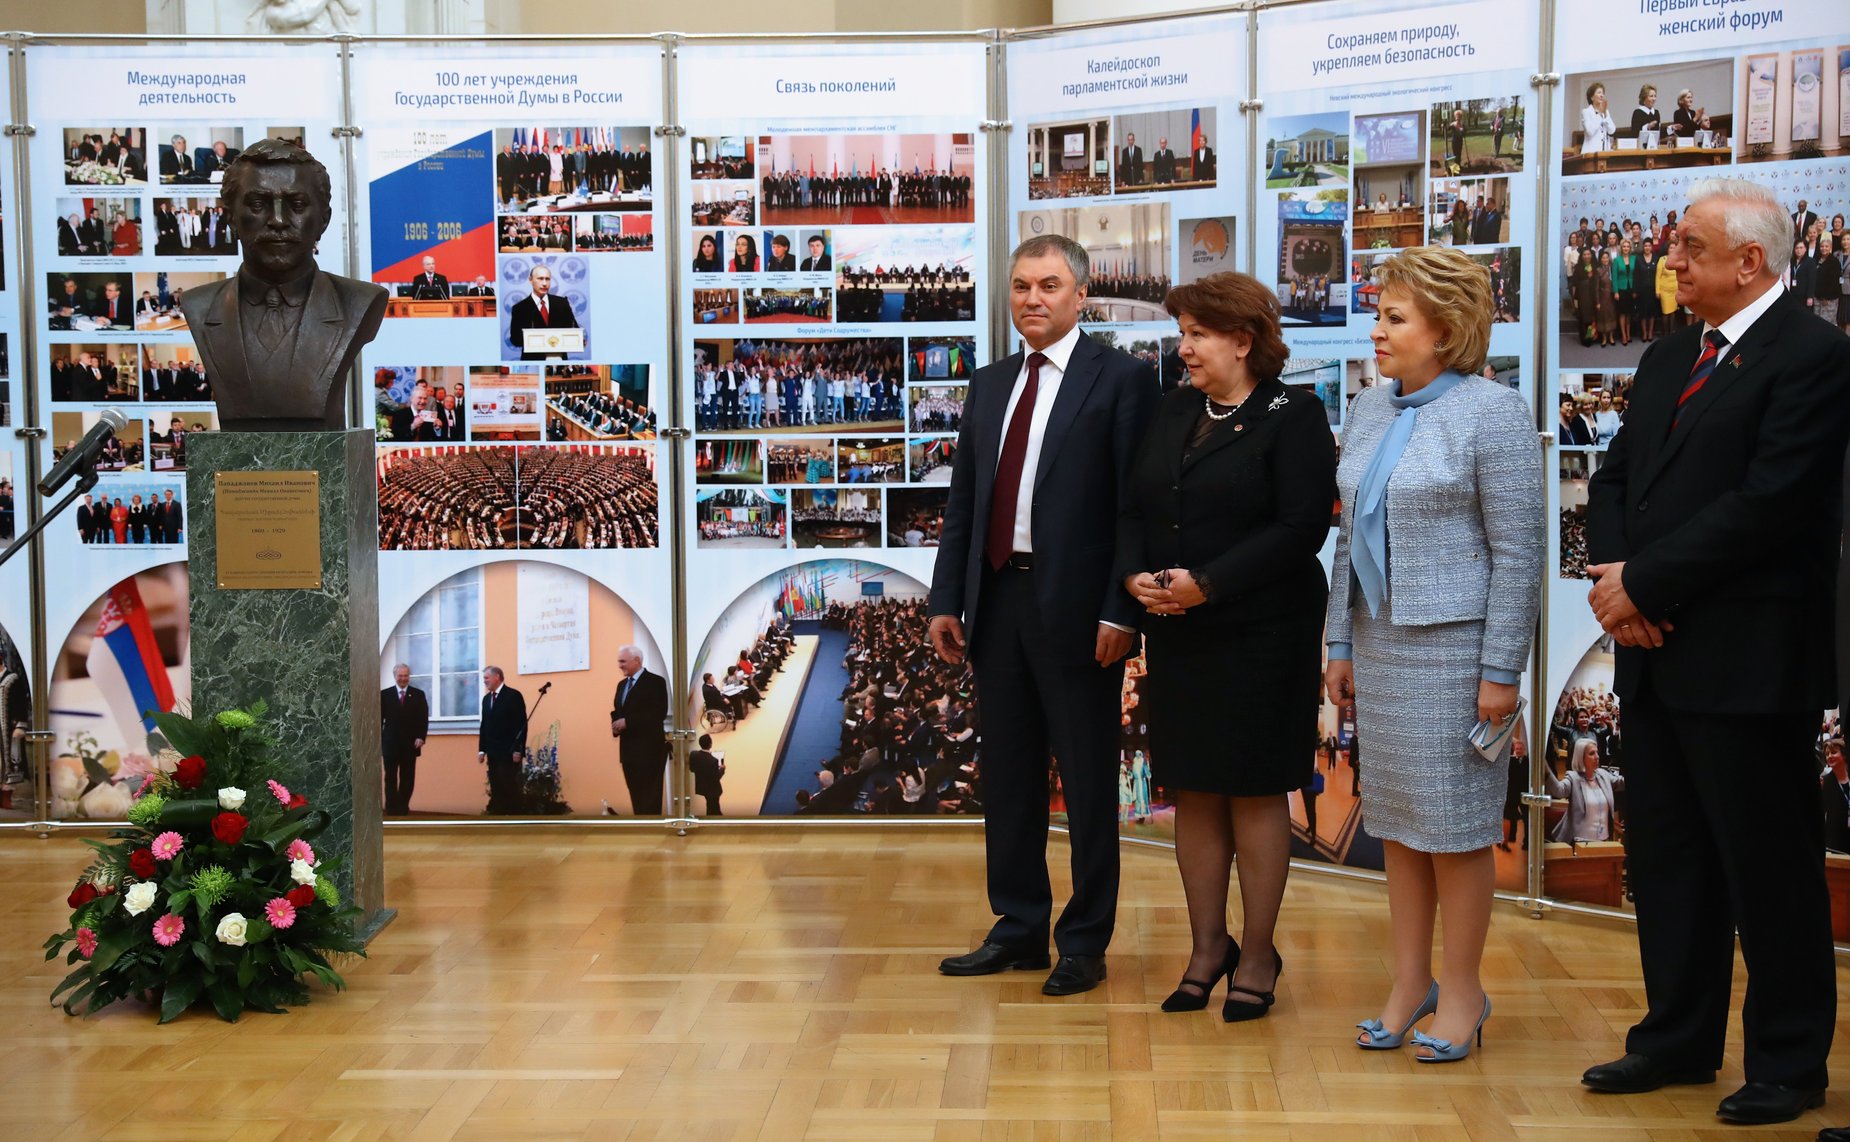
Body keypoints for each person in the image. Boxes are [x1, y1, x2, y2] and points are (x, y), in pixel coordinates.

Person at [1581, 177, 1848, 1126]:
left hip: (1747, 659)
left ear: (1751, 261)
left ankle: (1786, 1061)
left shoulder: (1814, 356)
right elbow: (1616, 477)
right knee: (1669, 862)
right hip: (1651, 650)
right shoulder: (1668, 356)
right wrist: (1618, 580)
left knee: (1768, 869)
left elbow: (1771, 505)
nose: (1671, 260)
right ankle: (1676, 1039)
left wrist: (1643, 584)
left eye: (1690, 246)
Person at [1324, 245, 1542, 1062]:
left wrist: (1500, 674)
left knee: (1454, 832)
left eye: (1393, 317)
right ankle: (1407, 982)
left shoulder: (1495, 412)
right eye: (1378, 313)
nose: (1375, 330)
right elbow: (1351, 534)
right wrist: (1340, 641)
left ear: (1447, 330)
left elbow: (1518, 554)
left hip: (1457, 657)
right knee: (1400, 829)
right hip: (1379, 649)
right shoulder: (1373, 407)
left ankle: (1463, 993)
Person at [928, 234, 1157, 996]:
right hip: (996, 601)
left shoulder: (1122, 380)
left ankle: (1085, 940)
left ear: (1081, 294)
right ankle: (1019, 925)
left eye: (1050, 285)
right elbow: (964, 502)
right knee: (1011, 777)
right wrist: (945, 598)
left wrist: (1122, 607)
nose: (1033, 298)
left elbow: (1136, 509)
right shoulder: (990, 384)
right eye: (1022, 285)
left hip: (1081, 610)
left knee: (1090, 781)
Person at [1116, 271, 1335, 1021]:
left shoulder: (1293, 412)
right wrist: (1136, 578)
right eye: (1182, 334)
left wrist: (1208, 581)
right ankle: (1209, 947)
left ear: (1243, 341)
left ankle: (1261, 950)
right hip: (1181, 629)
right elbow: (1139, 505)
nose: (1184, 350)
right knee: (1195, 788)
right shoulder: (1175, 407)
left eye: (1196, 335)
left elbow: (1302, 527)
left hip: (1263, 631)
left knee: (1253, 788)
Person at [608, 644, 668, 815]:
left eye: (623, 661)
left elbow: (658, 713)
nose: (620, 665)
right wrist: (616, 724)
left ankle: (652, 834)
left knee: (650, 799)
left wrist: (628, 722)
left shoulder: (655, 682)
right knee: (636, 797)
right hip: (628, 753)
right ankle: (642, 830)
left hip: (650, 752)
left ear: (636, 660)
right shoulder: (621, 685)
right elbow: (617, 711)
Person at [1545, 739, 1623, 842]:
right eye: (1592, 753)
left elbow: (1622, 782)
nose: (1597, 757)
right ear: (1581, 757)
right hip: (1580, 842)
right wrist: (1546, 771)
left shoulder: (1603, 775)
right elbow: (1559, 791)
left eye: (1597, 752)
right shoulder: (1573, 778)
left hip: (1605, 841)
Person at [476, 666, 528, 815]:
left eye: (487, 678)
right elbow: (484, 725)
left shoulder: (513, 695)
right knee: (496, 785)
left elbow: (521, 725)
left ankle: (514, 818)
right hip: (493, 752)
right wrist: (482, 749)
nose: (485, 681)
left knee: (510, 785)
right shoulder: (486, 699)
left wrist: (518, 749)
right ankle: (498, 818)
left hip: (509, 751)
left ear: (497, 677)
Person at [380, 663, 429, 816]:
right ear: (395, 676)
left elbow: (423, 718)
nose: (403, 679)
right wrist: (381, 740)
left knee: (407, 778)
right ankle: (391, 809)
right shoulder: (384, 695)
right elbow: (378, 719)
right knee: (390, 778)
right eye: (400, 676)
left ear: (409, 676)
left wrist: (421, 737)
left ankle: (402, 808)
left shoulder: (418, 694)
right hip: (390, 744)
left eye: (406, 675)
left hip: (410, 744)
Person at [506, 264, 578, 361]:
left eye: (547, 279)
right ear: (530, 280)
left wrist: (579, 339)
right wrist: (535, 339)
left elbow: (574, 329)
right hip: (533, 362)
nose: (544, 283)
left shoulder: (561, 303)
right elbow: (515, 339)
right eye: (540, 279)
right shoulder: (520, 308)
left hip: (559, 361)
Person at [688, 733, 726, 816]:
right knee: (714, 809)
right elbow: (716, 777)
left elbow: (692, 769)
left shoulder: (693, 754)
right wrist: (722, 769)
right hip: (713, 790)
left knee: (711, 807)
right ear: (710, 744)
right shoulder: (713, 760)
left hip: (703, 788)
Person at [1580, 82, 1616, 154]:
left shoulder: (1605, 112)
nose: (1602, 95)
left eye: (1602, 93)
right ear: (1592, 97)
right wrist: (1599, 113)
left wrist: (1605, 114)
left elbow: (1612, 130)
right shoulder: (1586, 112)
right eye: (1599, 93)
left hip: (1604, 152)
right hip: (1590, 153)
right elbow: (1590, 131)